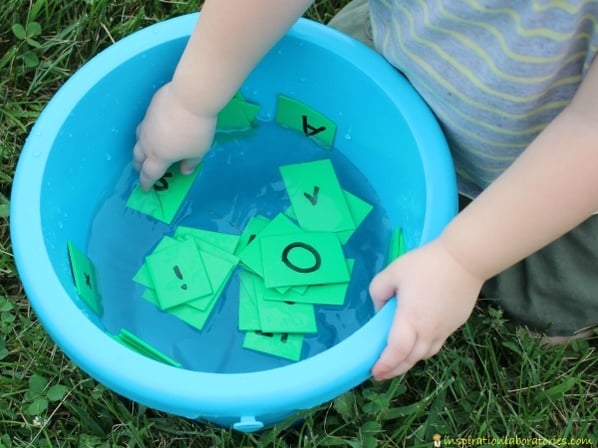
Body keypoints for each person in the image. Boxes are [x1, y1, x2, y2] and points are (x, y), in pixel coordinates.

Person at [133, 0, 598, 381]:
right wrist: (193, 99)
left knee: (548, 299)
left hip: (554, 175)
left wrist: (462, 259)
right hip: (403, 60)